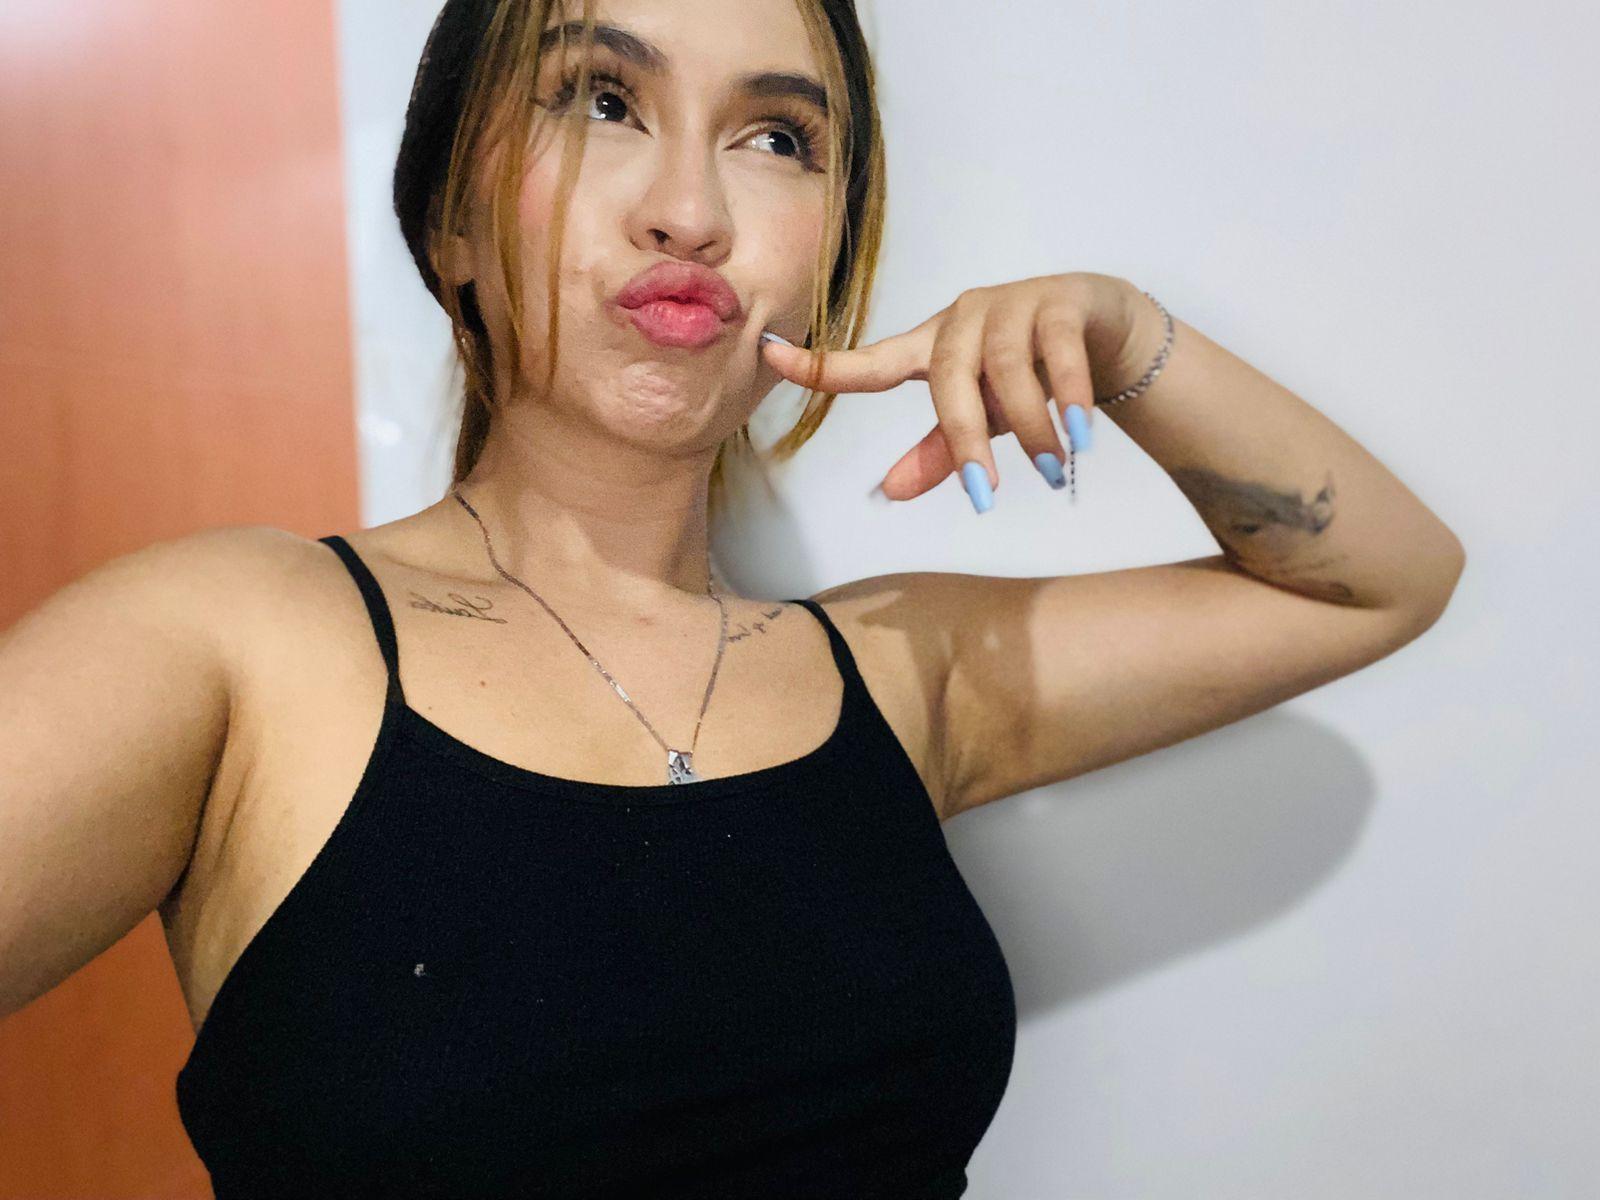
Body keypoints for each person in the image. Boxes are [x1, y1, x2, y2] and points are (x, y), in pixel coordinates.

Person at [0, 0, 1465, 1195]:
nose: (692, 211)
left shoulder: (898, 670)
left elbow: (1374, 585)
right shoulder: (234, 641)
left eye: (777, 138)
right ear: (449, 217)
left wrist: (1120, 329)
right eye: (602, 100)